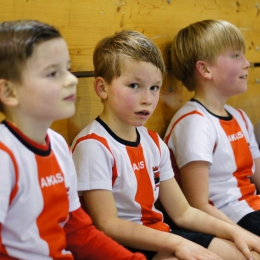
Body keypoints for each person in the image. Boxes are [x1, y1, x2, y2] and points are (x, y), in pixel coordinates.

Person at [71, 29, 260, 260]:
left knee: (249, 253)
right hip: (122, 247)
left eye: (154, 87)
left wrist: (235, 232)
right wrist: (177, 243)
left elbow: (183, 212)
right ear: (102, 88)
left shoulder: (152, 141)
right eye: (134, 86)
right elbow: (108, 225)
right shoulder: (93, 145)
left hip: (164, 235)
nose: (147, 98)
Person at [0, 20, 146, 260]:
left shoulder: (58, 145)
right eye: (53, 73)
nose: (72, 80)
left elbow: (77, 231)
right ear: (9, 92)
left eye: (67, 69)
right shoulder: (4, 157)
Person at [164, 19, 260, 240]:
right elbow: (198, 205)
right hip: (229, 220)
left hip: (253, 209)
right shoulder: (194, 123)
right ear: (205, 69)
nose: (247, 63)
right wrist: (242, 236)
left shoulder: (239, 117)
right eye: (236, 56)